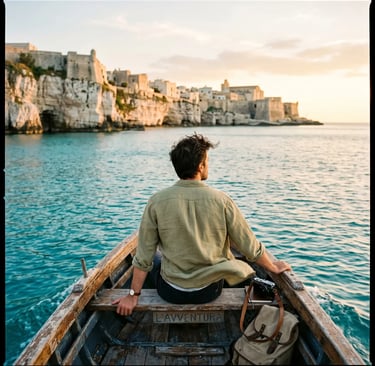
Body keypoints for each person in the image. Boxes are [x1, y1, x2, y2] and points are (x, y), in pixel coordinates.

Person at [113, 133, 291, 316]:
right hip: (209, 291)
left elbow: (144, 257)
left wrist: (133, 295)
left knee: (157, 257)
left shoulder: (156, 201)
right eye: (207, 161)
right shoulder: (222, 201)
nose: (208, 165)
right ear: (200, 166)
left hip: (171, 292)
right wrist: (273, 267)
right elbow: (250, 247)